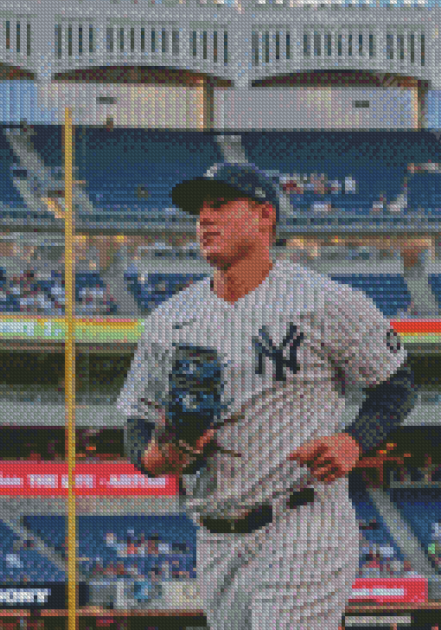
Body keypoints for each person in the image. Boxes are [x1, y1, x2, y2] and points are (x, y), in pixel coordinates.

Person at [117, 162, 417, 630]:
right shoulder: (168, 319)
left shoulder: (326, 300)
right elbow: (136, 423)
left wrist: (353, 441)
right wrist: (162, 454)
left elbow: (396, 384)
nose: (203, 219)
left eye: (219, 204)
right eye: (199, 210)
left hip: (301, 522)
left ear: (264, 216)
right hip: (214, 536)